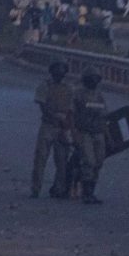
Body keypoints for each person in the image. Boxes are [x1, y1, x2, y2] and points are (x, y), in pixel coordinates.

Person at [31, 61, 76, 198]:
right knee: (40, 159)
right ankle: (36, 188)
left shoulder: (69, 88)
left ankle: (58, 188)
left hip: (62, 127)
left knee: (62, 160)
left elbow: (72, 110)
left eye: (62, 69)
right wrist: (57, 118)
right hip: (48, 125)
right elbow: (43, 107)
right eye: (57, 68)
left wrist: (67, 124)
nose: (60, 71)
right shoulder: (45, 86)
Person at [72, 70, 109, 205]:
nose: (93, 81)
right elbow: (72, 114)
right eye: (91, 78)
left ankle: (91, 191)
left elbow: (105, 115)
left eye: (95, 78)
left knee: (98, 161)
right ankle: (86, 193)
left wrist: (107, 134)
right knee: (89, 161)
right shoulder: (78, 94)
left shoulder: (99, 96)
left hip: (98, 132)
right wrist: (73, 133)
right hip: (84, 132)